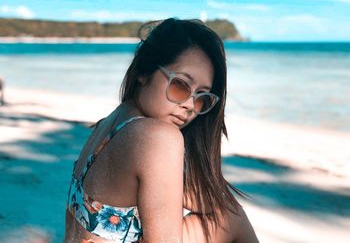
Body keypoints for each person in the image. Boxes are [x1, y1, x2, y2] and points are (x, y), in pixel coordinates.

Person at [64, 18, 258, 243]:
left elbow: (209, 200)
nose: (188, 105)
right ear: (145, 71)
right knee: (232, 217)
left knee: (229, 215)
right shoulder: (158, 137)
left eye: (201, 98)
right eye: (180, 85)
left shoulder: (108, 125)